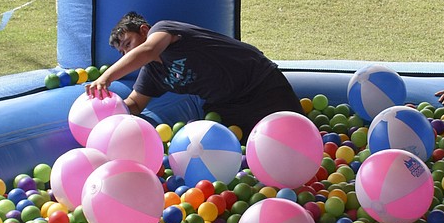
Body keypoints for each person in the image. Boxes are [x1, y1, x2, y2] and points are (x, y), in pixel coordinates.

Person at [85, 12, 304, 138]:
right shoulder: (153, 71)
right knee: (242, 148)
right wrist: (111, 115)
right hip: (228, 106)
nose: (127, 53)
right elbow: (135, 103)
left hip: (260, 82)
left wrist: (106, 77)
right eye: (122, 52)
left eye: (128, 44)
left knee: (298, 134)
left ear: (144, 30)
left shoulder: (163, 30)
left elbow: (148, 50)